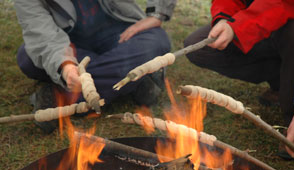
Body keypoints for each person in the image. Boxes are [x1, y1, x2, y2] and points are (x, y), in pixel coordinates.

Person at [14, 0, 177, 133]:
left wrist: (158, 13)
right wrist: (66, 66)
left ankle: (60, 98)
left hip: (120, 33)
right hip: (68, 44)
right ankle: (133, 81)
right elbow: (41, 34)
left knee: (156, 41)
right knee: (28, 57)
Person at [183, 0, 294, 160]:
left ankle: (293, 122)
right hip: (257, 22)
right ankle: (282, 82)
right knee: (199, 47)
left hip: (290, 20)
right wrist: (223, 18)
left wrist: (237, 26)